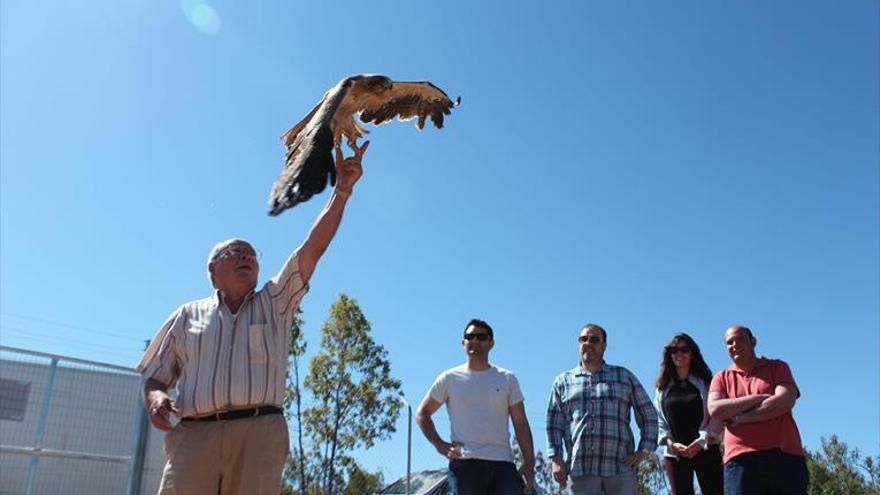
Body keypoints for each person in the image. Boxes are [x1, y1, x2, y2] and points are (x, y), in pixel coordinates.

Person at [136, 142, 369, 495]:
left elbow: (312, 249)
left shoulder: (275, 301)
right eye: (235, 253)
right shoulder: (187, 316)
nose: (246, 256)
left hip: (259, 433)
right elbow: (155, 379)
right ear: (213, 270)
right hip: (194, 435)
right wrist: (156, 400)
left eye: (251, 254)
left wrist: (342, 192)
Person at [415, 319, 536, 495]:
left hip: (503, 464)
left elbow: (520, 422)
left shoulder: (507, 379)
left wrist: (529, 462)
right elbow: (422, 413)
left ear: (491, 343)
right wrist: (439, 444)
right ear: (463, 343)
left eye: (481, 337)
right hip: (465, 465)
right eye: (470, 336)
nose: (475, 341)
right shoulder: (449, 378)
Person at [545, 323, 658, 495]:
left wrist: (644, 451)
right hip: (580, 470)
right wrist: (556, 458)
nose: (588, 343)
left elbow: (649, 414)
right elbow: (554, 423)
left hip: (620, 469)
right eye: (583, 339)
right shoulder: (563, 381)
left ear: (604, 346)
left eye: (594, 339)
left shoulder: (623, 376)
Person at [707, 324, 808, 495]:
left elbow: (784, 401)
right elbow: (715, 409)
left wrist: (740, 418)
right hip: (739, 461)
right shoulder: (721, 378)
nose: (734, 345)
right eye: (729, 342)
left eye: (740, 339)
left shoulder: (778, 367)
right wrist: (757, 399)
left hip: (784, 456)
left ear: (753, 342)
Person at [653, 333, 723, 495]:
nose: (679, 354)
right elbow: (660, 420)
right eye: (674, 350)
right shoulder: (662, 388)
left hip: (705, 449)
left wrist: (701, 440)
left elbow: (716, 415)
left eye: (684, 350)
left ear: (692, 353)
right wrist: (671, 443)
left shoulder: (706, 383)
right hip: (676, 454)